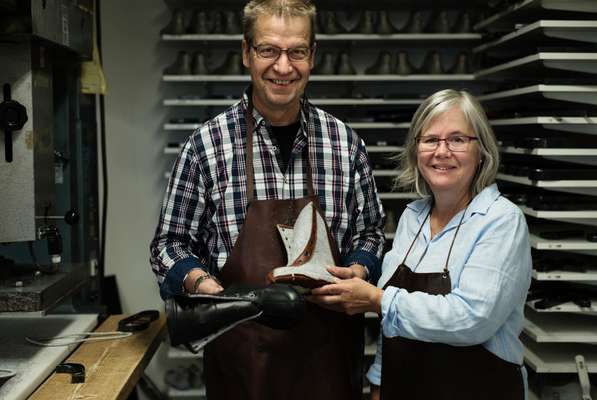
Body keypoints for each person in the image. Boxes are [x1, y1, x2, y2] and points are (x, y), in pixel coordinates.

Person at [149, 1, 385, 399]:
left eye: (296, 51)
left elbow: (371, 234)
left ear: (312, 56)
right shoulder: (206, 146)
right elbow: (168, 246)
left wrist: (359, 272)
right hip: (242, 362)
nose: (283, 67)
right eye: (268, 50)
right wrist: (215, 293)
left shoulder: (345, 144)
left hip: (327, 362)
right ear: (246, 53)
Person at [311, 89, 532, 400]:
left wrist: (379, 299)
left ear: (481, 149)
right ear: (416, 150)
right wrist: (378, 383)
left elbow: (472, 319)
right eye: (430, 140)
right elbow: (393, 327)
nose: (442, 151)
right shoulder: (412, 218)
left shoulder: (500, 220)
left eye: (457, 139)